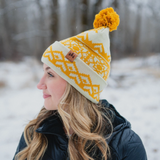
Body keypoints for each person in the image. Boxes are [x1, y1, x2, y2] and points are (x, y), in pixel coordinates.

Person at [13, 7, 147, 160]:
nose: (40, 84)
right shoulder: (34, 136)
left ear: (77, 85)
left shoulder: (125, 145)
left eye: (50, 74)